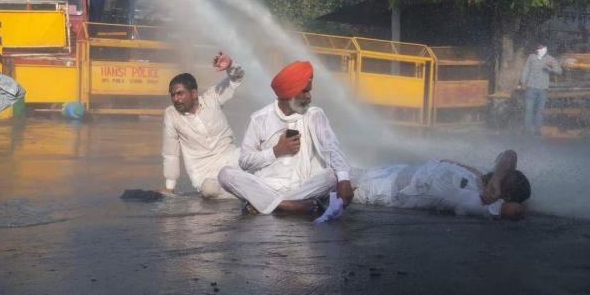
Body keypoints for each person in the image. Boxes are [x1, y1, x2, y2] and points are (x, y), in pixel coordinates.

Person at [218, 60, 354, 215]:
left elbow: (331, 147)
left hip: (302, 186)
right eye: (304, 91)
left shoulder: (314, 115)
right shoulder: (259, 118)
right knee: (225, 174)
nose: (309, 96)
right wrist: (276, 151)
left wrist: (344, 180)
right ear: (289, 94)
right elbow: (245, 162)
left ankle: (271, 204)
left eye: (309, 91)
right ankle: (289, 205)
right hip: (266, 185)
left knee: (334, 176)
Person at [352, 150, 531, 220]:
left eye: (507, 177)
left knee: (340, 186)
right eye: (507, 172)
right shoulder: (482, 176)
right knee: (345, 171)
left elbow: (516, 211)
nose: (503, 172)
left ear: (505, 196)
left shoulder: (481, 202)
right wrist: (498, 178)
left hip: (385, 190)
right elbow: (510, 154)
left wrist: (498, 195)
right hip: (394, 170)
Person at [161, 52, 244, 198]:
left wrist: (230, 65)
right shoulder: (171, 115)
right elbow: (170, 154)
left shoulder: (212, 98)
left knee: (260, 154)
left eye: (180, 93)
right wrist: (169, 188)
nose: (176, 99)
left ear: (194, 93)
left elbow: (237, 78)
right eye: (173, 95)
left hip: (233, 159)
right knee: (210, 190)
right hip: (206, 175)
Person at [520, 43, 562, 135]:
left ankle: (537, 131)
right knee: (528, 110)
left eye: (542, 47)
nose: (540, 49)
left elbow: (559, 71)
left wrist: (550, 68)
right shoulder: (531, 57)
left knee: (540, 111)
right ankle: (527, 131)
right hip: (531, 87)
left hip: (543, 89)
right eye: (538, 47)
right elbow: (526, 69)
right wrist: (523, 81)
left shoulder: (550, 59)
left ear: (546, 49)